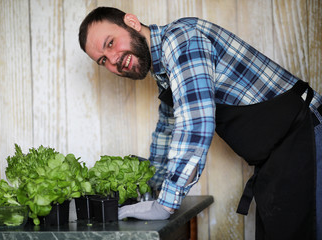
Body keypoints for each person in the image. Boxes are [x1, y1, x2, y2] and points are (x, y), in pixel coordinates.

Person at [79, 7, 322, 240]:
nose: (113, 60)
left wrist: (165, 204)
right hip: (279, 154)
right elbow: (168, 129)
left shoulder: (182, 39)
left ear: (131, 22)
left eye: (110, 43)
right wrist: (150, 188)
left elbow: (195, 123)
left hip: (304, 135)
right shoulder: (164, 71)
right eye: (102, 61)